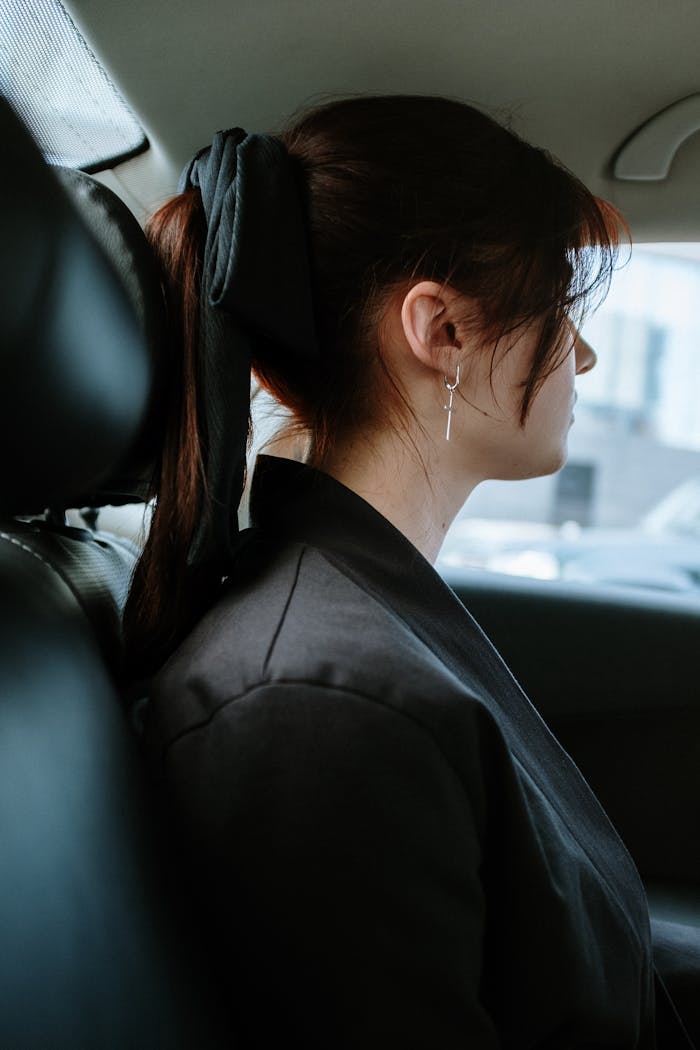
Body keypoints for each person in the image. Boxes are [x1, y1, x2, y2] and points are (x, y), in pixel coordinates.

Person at [127, 96, 697, 1048]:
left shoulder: (362, 624)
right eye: (558, 304)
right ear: (441, 330)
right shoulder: (316, 703)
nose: (587, 353)